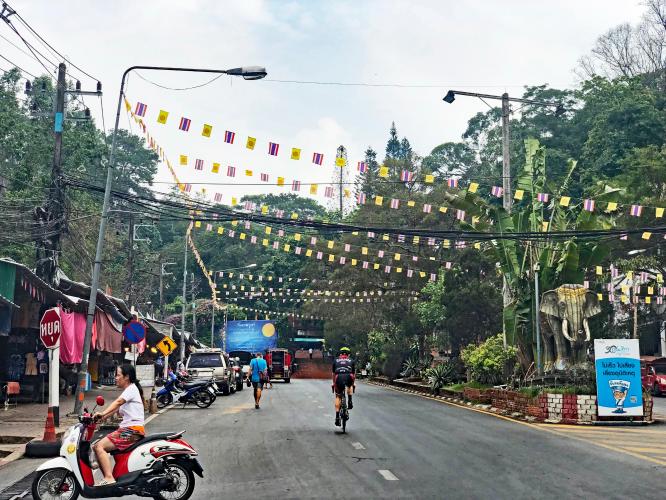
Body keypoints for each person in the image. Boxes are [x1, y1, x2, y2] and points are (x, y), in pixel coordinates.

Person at [92, 364, 145, 485]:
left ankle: (109, 478)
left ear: (126, 377)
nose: (115, 378)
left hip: (132, 431)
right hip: (130, 430)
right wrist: (98, 418)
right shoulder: (130, 390)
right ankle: (108, 477)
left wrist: (103, 413)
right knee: (97, 446)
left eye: (118, 375)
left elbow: (118, 402)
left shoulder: (131, 389)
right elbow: (114, 410)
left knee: (99, 446)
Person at [332, 347, 356, 427]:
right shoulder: (351, 360)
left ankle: (337, 417)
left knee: (338, 396)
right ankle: (349, 400)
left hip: (338, 377)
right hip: (349, 376)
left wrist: (334, 383)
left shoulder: (335, 360)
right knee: (349, 386)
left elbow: (333, 374)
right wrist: (353, 384)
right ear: (348, 354)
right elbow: (353, 374)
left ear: (340, 354)